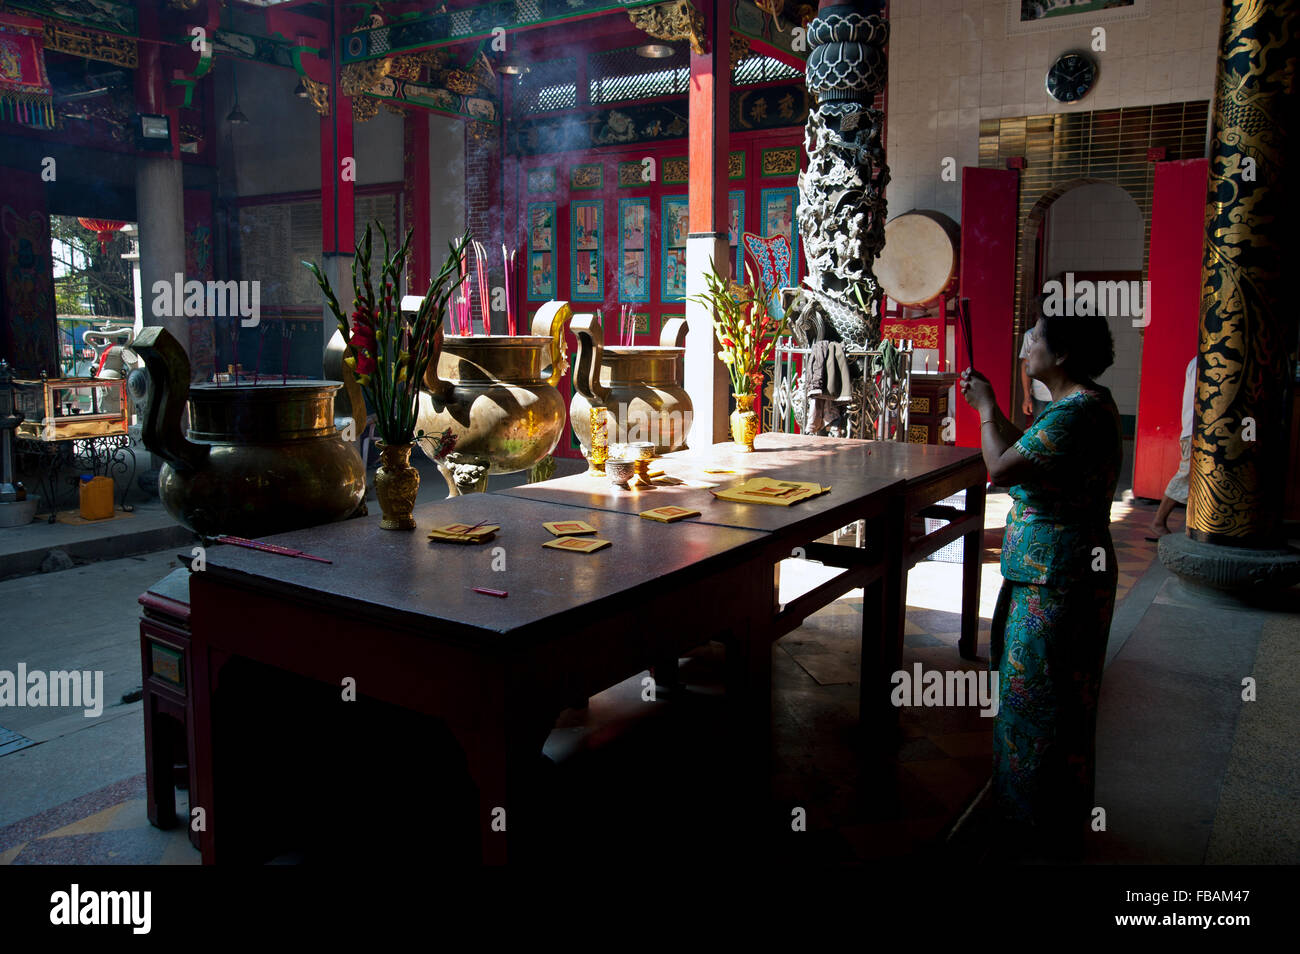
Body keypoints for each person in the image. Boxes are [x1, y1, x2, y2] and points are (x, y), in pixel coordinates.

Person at [959, 306, 1121, 862]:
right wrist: (995, 409)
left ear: (1064, 354)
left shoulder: (1076, 415)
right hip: (1054, 573)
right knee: (1048, 699)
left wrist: (983, 411)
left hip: (1058, 579)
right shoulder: (1076, 408)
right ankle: (1044, 818)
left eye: (1033, 340)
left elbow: (1001, 468)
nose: (1025, 349)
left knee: (1039, 702)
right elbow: (1026, 452)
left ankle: (1031, 830)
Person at [1148, 356, 1197, 539]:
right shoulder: (1204, 361)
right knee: (1186, 475)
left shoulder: (1196, 361)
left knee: (1192, 478)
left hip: (1194, 430)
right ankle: (1158, 522)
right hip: (1196, 431)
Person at [1019, 327, 1052, 421]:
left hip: (1062, 395)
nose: (1030, 350)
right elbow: (1025, 364)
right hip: (1040, 396)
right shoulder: (1030, 334)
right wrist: (1027, 397)